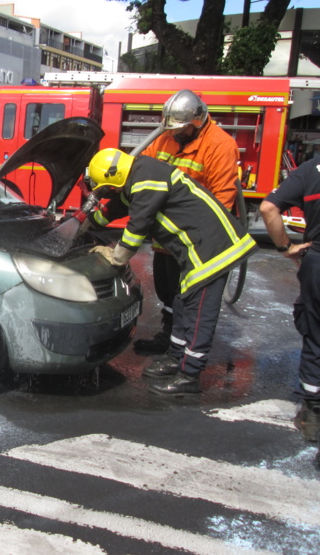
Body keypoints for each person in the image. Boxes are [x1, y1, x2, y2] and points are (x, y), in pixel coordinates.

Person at [85, 148, 258, 395]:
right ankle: (177, 357)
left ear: (115, 178)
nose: (108, 192)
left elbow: (138, 224)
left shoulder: (146, 179)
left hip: (211, 251)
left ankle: (190, 376)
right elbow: (117, 207)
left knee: (199, 314)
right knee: (182, 304)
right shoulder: (139, 174)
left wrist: (116, 256)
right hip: (194, 250)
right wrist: (87, 223)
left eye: (108, 187)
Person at [130, 90, 241, 357]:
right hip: (167, 239)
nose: (175, 134)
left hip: (195, 242)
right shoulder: (166, 139)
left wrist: (202, 241)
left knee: (187, 299)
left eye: (181, 129)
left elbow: (223, 199)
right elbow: (143, 167)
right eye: (172, 128)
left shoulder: (219, 145)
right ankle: (167, 337)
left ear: (198, 121)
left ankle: (181, 353)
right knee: (168, 293)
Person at [259, 153, 320, 443]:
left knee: (315, 333)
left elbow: (269, 208)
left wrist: (286, 248)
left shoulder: (311, 170)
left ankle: (313, 416)